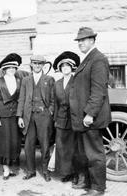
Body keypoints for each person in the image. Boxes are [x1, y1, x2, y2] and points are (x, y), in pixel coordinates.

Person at [69, 27, 112, 196]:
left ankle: (98, 188)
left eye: (84, 40)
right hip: (83, 117)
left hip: (90, 118)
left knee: (94, 154)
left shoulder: (98, 59)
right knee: (85, 153)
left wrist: (90, 114)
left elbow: (98, 91)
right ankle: (88, 182)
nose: (80, 43)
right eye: (79, 40)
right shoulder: (88, 59)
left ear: (92, 40)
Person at [0, 53, 25, 180]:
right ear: (4, 69)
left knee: (13, 143)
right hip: (2, 117)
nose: (12, 70)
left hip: (14, 117)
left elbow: (20, 100)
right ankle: (6, 170)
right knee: (4, 143)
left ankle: (10, 167)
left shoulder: (19, 81)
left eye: (14, 68)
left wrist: (20, 116)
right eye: (9, 68)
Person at [17, 55, 55, 182]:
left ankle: (45, 171)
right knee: (29, 145)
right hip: (29, 116)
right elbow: (21, 99)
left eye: (40, 63)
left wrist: (50, 112)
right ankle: (30, 171)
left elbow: (53, 100)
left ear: (43, 65)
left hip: (44, 116)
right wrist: (19, 117)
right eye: (35, 63)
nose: (37, 66)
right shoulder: (26, 80)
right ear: (31, 65)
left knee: (45, 145)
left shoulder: (49, 79)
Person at [52, 51, 80, 183]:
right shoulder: (57, 83)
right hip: (61, 120)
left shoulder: (77, 82)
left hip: (74, 120)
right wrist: (55, 120)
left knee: (74, 148)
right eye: (63, 67)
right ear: (60, 69)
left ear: (72, 68)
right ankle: (65, 173)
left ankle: (75, 174)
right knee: (62, 147)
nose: (65, 69)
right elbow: (55, 103)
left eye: (67, 66)